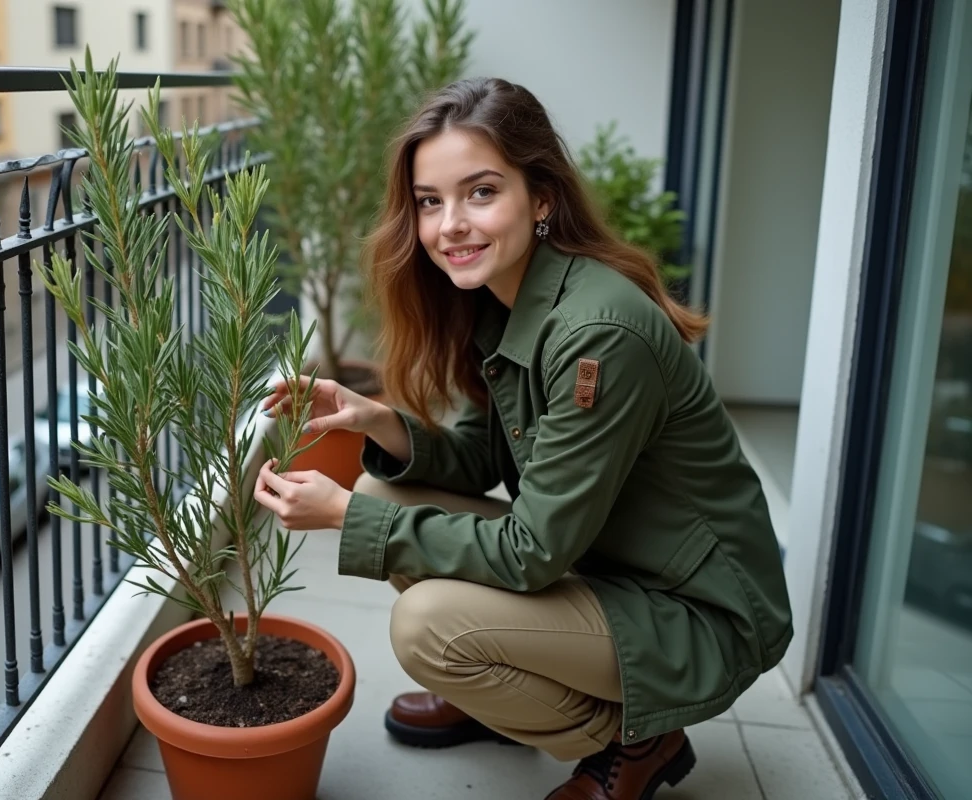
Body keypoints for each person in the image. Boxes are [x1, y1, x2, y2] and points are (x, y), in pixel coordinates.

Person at [253, 76, 792, 800]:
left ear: (541, 198)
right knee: (387, 482)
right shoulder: (506, 298)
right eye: (430, 202)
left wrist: (347, 517)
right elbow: (477, 461)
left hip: (695, 611)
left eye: (480, 192)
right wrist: (379, 418)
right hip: (603, 561)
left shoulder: (597, 333)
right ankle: (507, 700)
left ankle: (638, 741)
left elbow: (533, 552)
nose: (450, 226)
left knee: (428, 627)